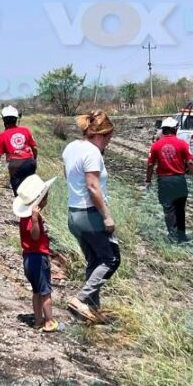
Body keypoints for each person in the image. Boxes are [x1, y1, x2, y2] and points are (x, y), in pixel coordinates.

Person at [63, 111, 118, 324]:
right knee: (111, 259)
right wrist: (107, 216)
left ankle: (92, 309)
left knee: (94, 260)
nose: (109, 142)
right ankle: (81, 299)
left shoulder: (71, 148)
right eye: (109, 137)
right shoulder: (93, 152)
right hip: (90, 214)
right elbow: (93, 187)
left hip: (74, 213)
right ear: (101, 134)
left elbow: (68, 176)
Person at [13, 174, 60, 332]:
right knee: (45, 291)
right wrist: (35, 220)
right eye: (45, 196)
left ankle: (38, 320)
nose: (47, 198)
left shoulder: (24, 217)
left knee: (36, 291)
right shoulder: (31, 218)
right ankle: (49, 321)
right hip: (38, 258)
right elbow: (35, 236)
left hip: (28, 258)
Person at [145, 117, 193, 243]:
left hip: (164, 181)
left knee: (169, 210)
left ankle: (173, 236)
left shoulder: (156, 145)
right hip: (179, 180)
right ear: (175, 129)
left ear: (163, 130)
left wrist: (148, 181)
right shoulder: (182, 144)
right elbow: (190, 163)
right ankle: (182, 236)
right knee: (180, 209)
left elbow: (150, 165)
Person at [0, 105, 38, 195]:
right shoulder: (26, 130)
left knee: (19, 193)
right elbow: (34, 148)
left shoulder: (2, 135)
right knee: (30, 189)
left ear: (4, 120)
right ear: (16, 119)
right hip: (30, 162)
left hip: (14, 165)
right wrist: (34, 160)